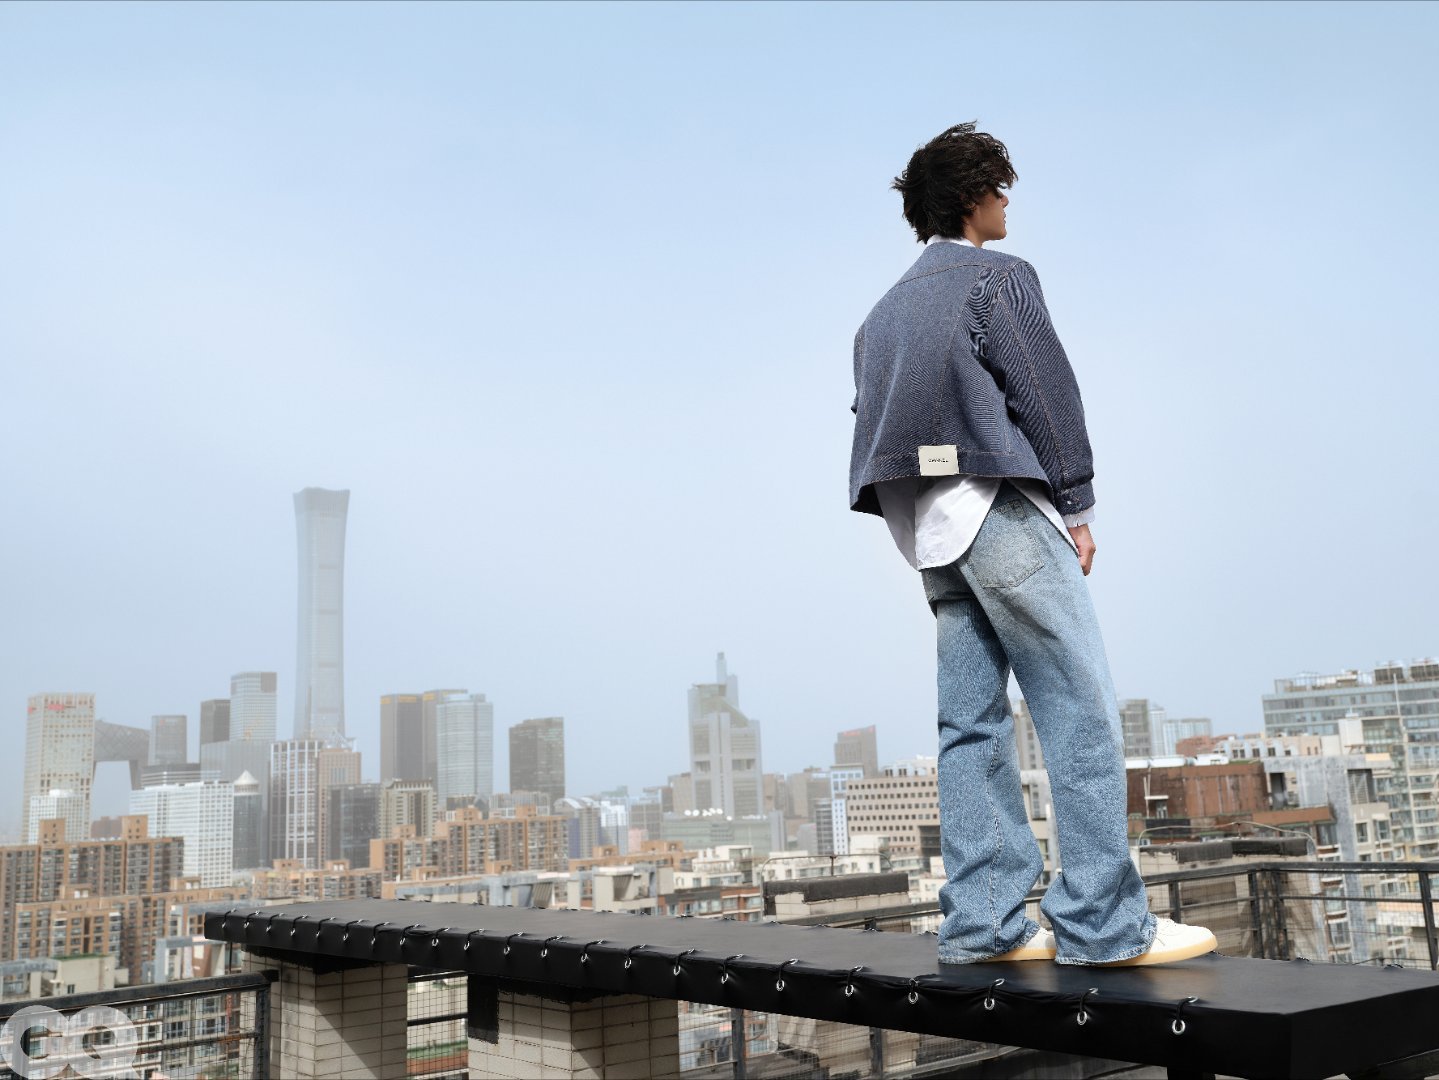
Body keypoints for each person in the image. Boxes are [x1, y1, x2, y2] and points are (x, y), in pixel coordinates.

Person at [847, 122, 1216, 967]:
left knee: (968, 727)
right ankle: (1102, 925)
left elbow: (871, 427)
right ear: (973, 196)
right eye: (1000, 187)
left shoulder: (877, 318)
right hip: (1002, 513)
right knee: (1077, 708)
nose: (1008, 201)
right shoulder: (995, 278)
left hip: (930, 537)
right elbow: (1045, 392)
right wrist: (1076, 503)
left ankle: (981, 924)